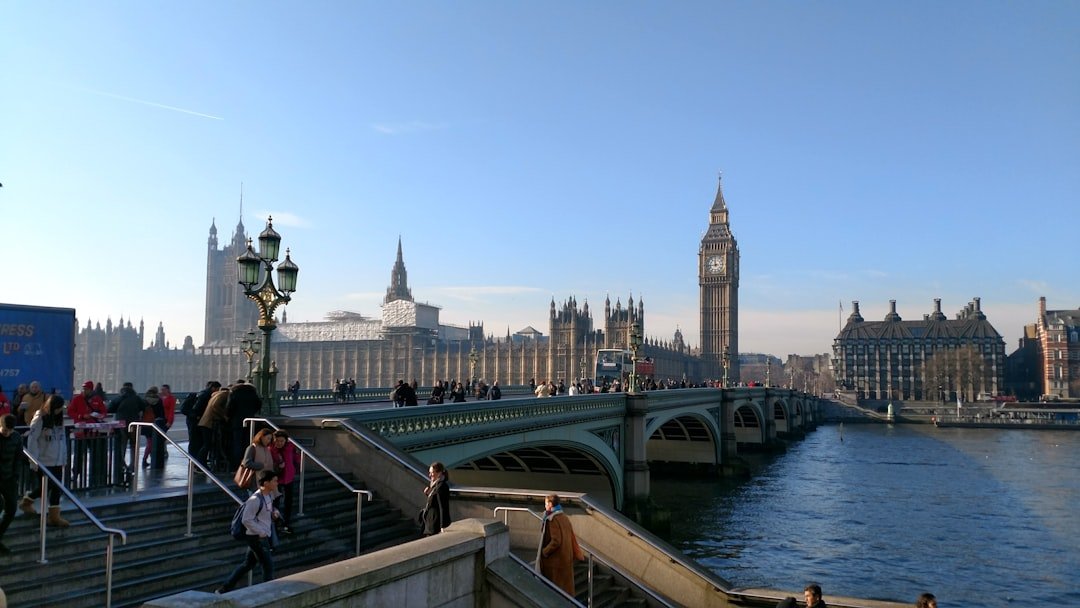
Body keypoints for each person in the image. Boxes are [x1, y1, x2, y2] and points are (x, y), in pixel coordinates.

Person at [217, 470, 280, 593]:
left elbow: (267, 510)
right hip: (257, 537)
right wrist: (260, 531)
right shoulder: (255, 499)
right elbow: (246, 519)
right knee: (268, 566)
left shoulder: (268, 496)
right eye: (274, 481)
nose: (277, 483)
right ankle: (268, 594)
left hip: (261, 535)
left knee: (247, 564)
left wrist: (274, 513)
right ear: (266, 483)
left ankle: (224, 589)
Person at [21, 395, 69, 527]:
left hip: (57, 459)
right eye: (58, 408)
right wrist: (33, 460)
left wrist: (63, 458)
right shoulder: (40, 418)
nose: (60, 411)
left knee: (57, 487)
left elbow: (62, 440)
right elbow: (32, 440)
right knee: (46, 486)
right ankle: (27, 501)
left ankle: (54, 516)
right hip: (43, 459)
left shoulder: (60, 420)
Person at [538, 493, 584, 596]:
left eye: (545, 503)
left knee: (554, 594)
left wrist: (545, 552)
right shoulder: (564, 518)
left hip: (555, 564)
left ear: (550, 504)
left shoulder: (552, 519)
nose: (545, 506)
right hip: (565, 560)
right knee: (566, 593)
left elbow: (556, 541)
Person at [108, 382, 147, 482]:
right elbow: (144, 406)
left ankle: (121, 464)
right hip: (134, 424)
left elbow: (110, 408)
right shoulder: (136, 398)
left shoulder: (120, 397)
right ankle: (132, 465)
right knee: (134, 445)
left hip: (122, 425)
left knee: (122, 445)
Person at [0, 414, 24, 552]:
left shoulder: (16, 438)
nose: (7, 433)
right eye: (4, 430)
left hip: (9, 477)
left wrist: (15, 475)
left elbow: (18, 457)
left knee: (11, 509)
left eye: (10, 431)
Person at [226, 380, 262, 470]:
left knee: (237, 443)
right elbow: (259, 405)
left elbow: (229, 407)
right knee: (247, 443)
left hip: (237, 422)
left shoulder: (234, 393)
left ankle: (236, 466)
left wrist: (230, 416)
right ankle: (247, 462)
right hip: (250, 421)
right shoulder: (253, 393)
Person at [270, 430, 299, 533]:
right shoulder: (271, 449)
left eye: (282, 441)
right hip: (277, 479)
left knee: (288, 501)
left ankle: (286, 522)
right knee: (276, 502)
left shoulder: (290, 447)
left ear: (286, 440)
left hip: (289, 477)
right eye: (277, 441)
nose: (279, 443)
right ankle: (277, 523)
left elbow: (296, 458)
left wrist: (296, 467)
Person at [197, 385, 230, 469]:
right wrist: (224, 416)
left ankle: (200, 464)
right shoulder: (225, 395)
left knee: (206, 444)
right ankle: (199, 464)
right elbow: (215, 406)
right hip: (209, 423)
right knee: (206, 445)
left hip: (205, 422)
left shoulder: (216, 395)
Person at [139, 387, 167, 467]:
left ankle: (146, 459)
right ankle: (148, 459)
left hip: (146, 424)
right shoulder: (159, 400)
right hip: (155, 424)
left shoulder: (144, 400)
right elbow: (161, 414)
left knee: (149, 442)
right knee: (154, 442)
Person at [421, 461, 450, 536]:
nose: (430, 475)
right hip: (430, 524)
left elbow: (442, 506)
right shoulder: (435, 485)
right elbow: (435, 501)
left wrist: (442, 526)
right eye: (429, 472)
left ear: (439, 473)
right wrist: (428, 494)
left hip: (435, 526)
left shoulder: (441, 487)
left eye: (432, 472)